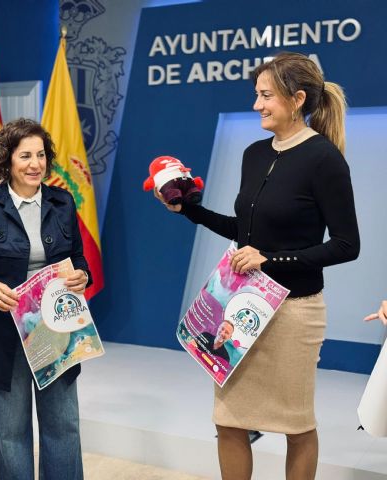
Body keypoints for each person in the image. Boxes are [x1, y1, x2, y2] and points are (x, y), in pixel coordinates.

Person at [154, 52, 360, 480]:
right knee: (228, 420)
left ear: (297, 98)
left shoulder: (325, 159)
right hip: (241, 307)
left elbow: (346, 245)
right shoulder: (253, 154)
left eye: (266, 96)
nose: (257, 105)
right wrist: (187, 210)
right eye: (257, 95)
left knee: (296, 425)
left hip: (294, 314)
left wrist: (272, 259)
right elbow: (245, 231)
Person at [0, 118, 90, 480]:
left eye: (41, 155)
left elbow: (78, 258)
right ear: (7, 160)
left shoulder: (62, 202)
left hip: (56, 328)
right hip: (4, 331)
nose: (35, 164)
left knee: (63, 424)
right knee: (11, 431)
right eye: (25, 155)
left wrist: (82, 275)